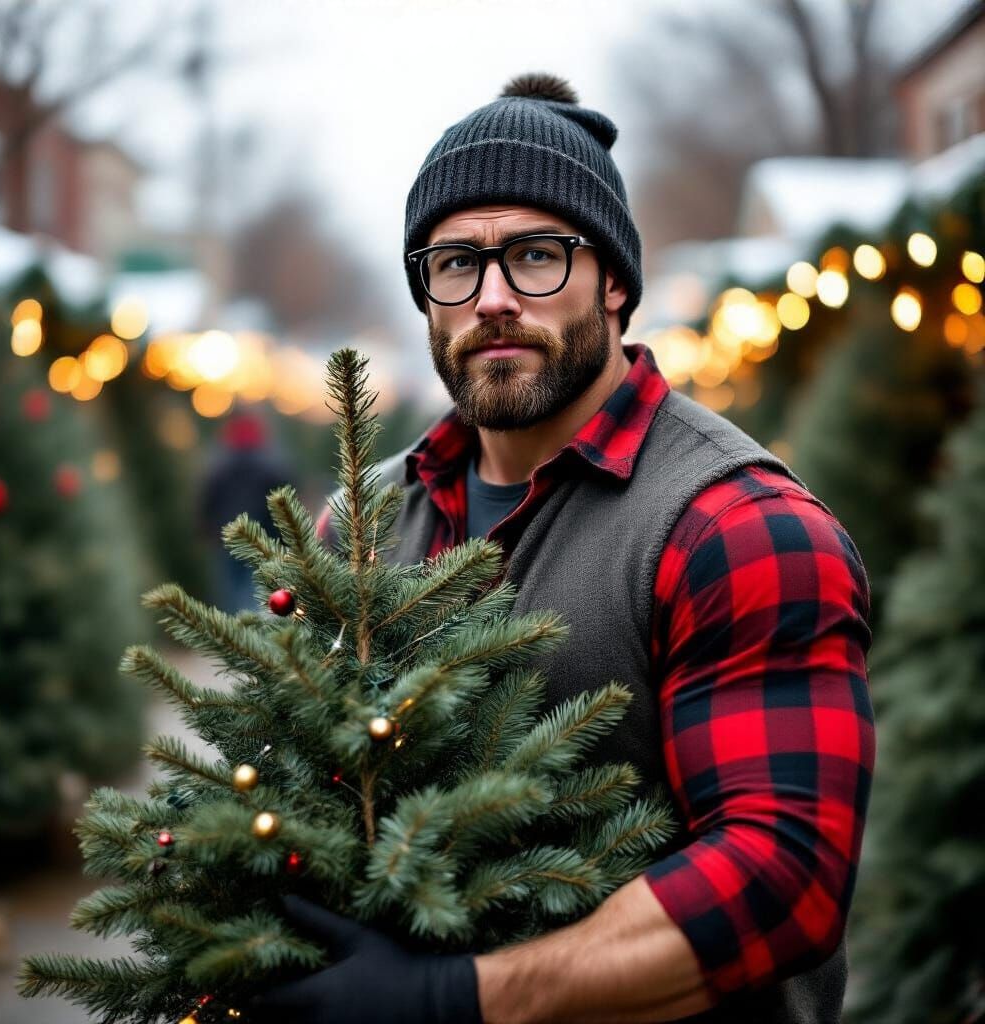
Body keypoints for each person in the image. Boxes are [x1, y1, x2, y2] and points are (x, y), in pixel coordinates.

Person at [253, 73, 874, 1023]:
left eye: (537, 256)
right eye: (455, 263)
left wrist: (455, 1000)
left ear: (614, 281)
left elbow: (783, 876)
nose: (493, 298)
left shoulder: (737, 528)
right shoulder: (359, 526)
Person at [199, 411, 295, 612]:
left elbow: (208, 501)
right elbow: (285, 502)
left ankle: (238, 624)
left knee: (234, 588)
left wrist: (207, 530)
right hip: (264, 536)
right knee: (262, 585)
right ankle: (261, 621)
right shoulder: (270, 467)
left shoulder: (219, 468)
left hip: (229, 537)